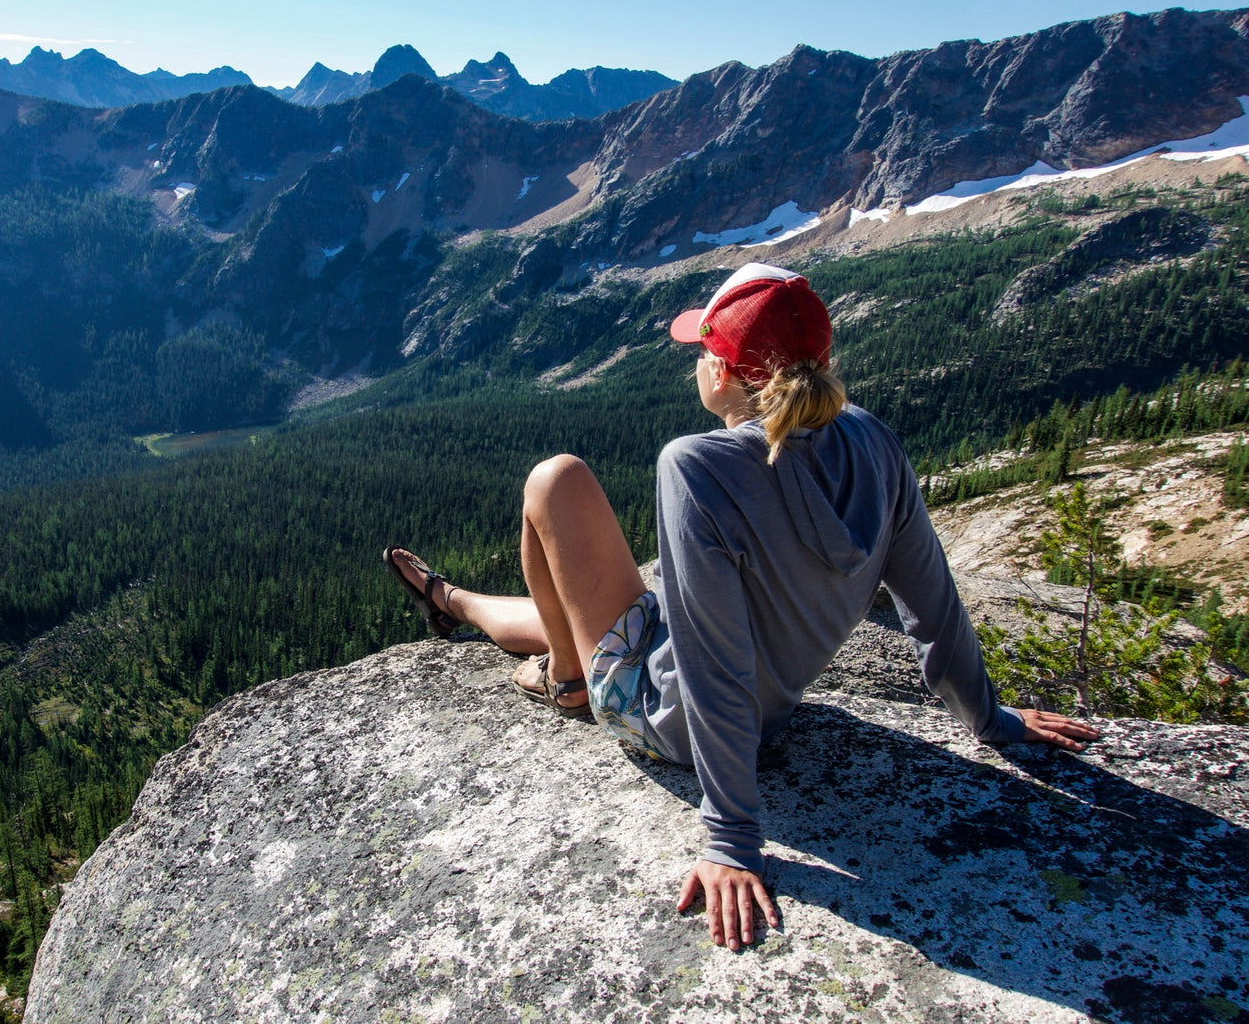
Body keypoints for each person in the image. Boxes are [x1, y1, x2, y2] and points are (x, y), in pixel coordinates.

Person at [384, 262, 1100, 952]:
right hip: (766, 708)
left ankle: (566, 678)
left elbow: (713, 662)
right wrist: (990, 719)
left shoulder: (697, 467)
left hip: (674, 718)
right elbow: (932, 603)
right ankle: (452, 599)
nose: (696, 360)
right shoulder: (876, 441)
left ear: (722, 372)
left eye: (702, 348)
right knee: (634, 589)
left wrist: (732, 838)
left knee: (554, 482)